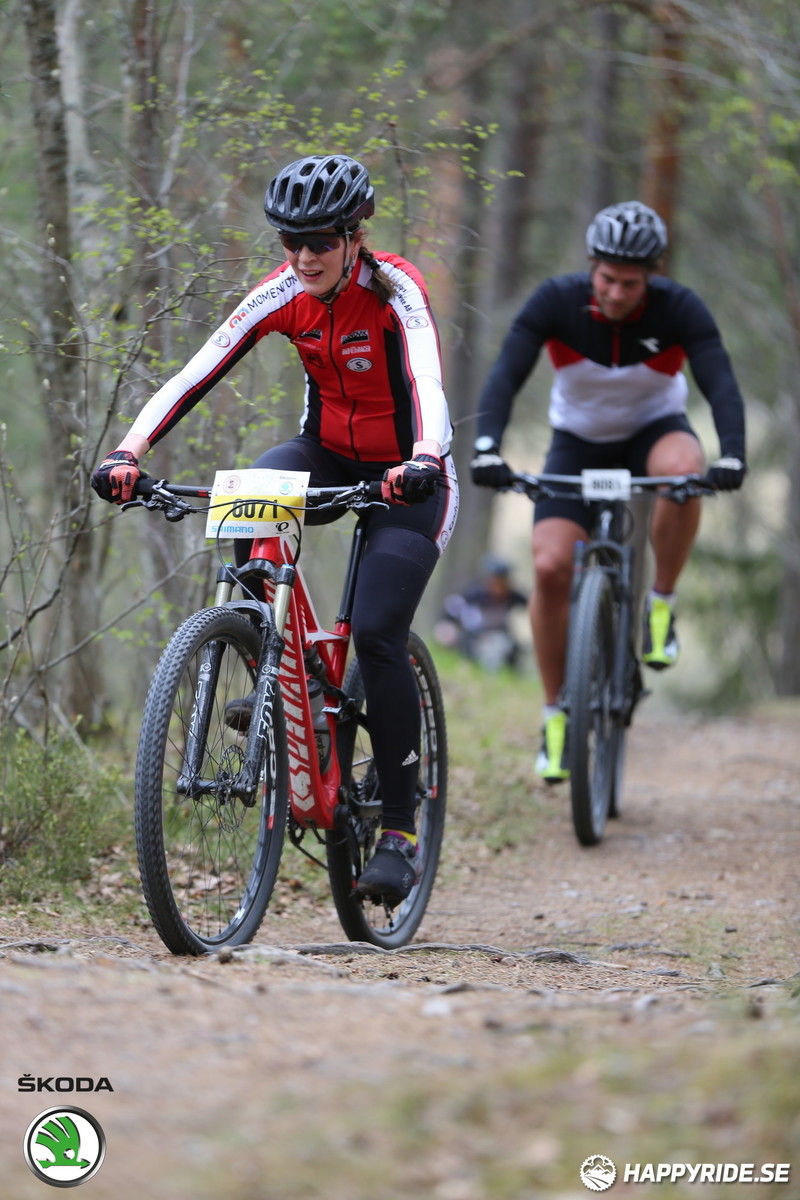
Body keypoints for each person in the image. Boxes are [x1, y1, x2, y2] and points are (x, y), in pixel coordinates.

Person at [91, 153, 459, 905]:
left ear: (355, 236)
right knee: (251, 491)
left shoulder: (398, 290)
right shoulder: (283, 291)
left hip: (410, 473)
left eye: (320, 240)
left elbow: (426, 378)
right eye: (290, 241)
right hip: (327, 452)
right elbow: (196, 371)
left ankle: (398, 827)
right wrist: (129, 451)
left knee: (380, 633)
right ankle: (272, 667)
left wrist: (424, 456)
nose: (304, 257)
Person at [470, 200, 746, 783]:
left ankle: (661, 605)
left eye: (629, 283)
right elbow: (506, 373)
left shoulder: (679, 310)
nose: (616, 294)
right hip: (577, 444)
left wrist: (736, 452)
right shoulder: (556, 301)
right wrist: (489, 448)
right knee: (548, 567)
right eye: (605, 279)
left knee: (684, 472)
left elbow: (718, 379)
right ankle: (555, 716)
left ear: (652, 276)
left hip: (654, 435)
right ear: (591, 267)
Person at [435, 555, 527, 671]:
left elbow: (530, 604)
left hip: (502, 637)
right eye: (495, 581)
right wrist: (447, 628)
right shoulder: (475, 594)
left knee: (512, 649)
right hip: (476, 638)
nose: (498, 587)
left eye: (503, 582)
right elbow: (452, 609)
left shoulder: (512, 596)